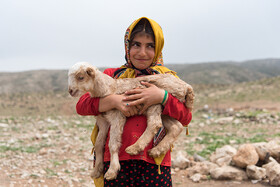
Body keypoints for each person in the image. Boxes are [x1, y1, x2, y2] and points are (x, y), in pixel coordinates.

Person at [76, 17, 192, 187]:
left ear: (158, 48)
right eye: (136, 45)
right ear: (127, 46)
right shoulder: (112, 76)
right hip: (116, 162)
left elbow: (185, 117)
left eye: (150, 46)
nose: (142, 52)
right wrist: (114, 101)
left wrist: (162, 97)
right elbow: (82, 105)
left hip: (154, 163)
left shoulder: (167, 79)